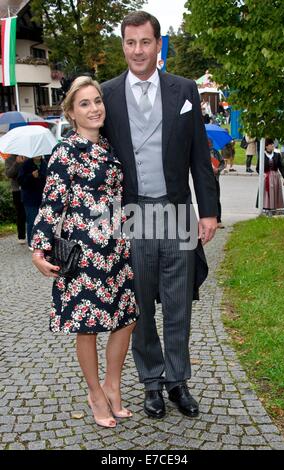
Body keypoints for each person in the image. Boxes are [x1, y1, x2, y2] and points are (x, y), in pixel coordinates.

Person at [101, 11, 217, 419]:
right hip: (131, 214)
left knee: (178, 302)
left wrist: (210, 212)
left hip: (179, 213)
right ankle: (151, 382)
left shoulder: (184, 90)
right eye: (130, 43)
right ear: (123, 45)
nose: (137, 51)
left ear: (158, 44)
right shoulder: (107, 94)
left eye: (145, 42)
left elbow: (200, 158)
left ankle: (177, 382)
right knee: (139, 305)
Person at [30, 76, 138, 428]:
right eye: (85, 104)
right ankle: (95, 393)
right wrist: (40, 249)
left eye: (97, 101)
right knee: (88, 324)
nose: (95, 109)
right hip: (85, 249)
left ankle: (113, 385)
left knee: (126, 317)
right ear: (72, 114)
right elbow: (51, 204)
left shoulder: (108, 145)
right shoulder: (66, 151)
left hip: (116, 246)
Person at [18, 155, 47, 249]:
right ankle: (31, 242)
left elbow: (47, 178)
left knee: (42, 221)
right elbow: (21, 181)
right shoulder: (26, 164)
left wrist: (40, 176)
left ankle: (40, 241)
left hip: (41, 197)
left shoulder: (44, 163)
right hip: (30, 198)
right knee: (31, 220)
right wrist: (31, 176)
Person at [256, 138, 284, 214]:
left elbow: (281, 166)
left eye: (272, 144)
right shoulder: (262, 155)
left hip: (275, 176)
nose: (272, 145)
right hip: (266, 177)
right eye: (270, 144)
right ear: (266, 146)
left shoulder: (277, 154)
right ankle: (266, 208)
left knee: (275, 191)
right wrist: (262, 174)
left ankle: (274, 208)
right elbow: (258, 168)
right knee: (266, 192)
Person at [4, 154, 27, 244]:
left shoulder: (28, 157)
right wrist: (16, 163)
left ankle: (32, 235)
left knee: (30, 212)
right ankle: (21, 236)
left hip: (28, 189)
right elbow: (9, 174)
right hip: (17, 190)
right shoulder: (9, 159)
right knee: (20, 213)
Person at [208, 139, 225, 228]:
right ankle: (207, 220)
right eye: (208, 141)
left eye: (210, 141)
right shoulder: (199, 152)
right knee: (205, 200)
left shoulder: (215, 152)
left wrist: (217, 169)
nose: (210, 143)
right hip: (205, 180)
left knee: (216, 200)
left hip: (215, 179)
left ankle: (218, 220)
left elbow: (222, 163)